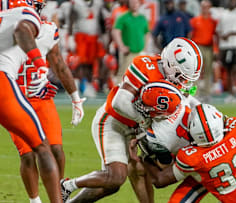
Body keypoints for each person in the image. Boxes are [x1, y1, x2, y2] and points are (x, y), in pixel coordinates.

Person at [60, 37, 203, 202]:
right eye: (181, 76)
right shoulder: (145, 65)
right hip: (113, 122)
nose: (184, 82)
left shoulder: (174, 81)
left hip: (136, 129)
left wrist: (205, 114)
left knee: (132, 174)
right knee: (115, 177)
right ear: (170, 64)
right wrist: (145, 123)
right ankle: (67, 185)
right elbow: (119, 102)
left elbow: (188, 100)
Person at [8, 2, 86, 202]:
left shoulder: (48, 30)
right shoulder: (6, 30)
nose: (36, 12)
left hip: (41, 99)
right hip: (15, 98)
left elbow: (59, 64)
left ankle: (59, 194)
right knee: (27, 155)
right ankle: (35, 200)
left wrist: (75, 98)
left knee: (56, 150)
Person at [0, 1, 62, 202]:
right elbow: (21, 31)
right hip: (3, 84)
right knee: (42, 148)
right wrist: (38, 62)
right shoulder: (25, 14)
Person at [112, 0, 150, 83]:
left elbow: (147, 33)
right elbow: (116, 31)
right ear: (129, 4)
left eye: (136, 3)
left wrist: (145, 48)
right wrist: (121, 46)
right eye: (132, 2)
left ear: (139, 4)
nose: (134, 5)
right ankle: (117, 93)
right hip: (128, 52)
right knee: (123, 74)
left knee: (139, 75)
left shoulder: (142, 18)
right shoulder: (123, 17)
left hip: (139, 52)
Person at [190, 0, 218, 102]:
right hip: (198, 46)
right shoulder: (195, 20)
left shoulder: (213, 21)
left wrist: (215, 49)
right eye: (203, 7)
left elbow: (215, 36)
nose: (205, 9)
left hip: (208, 47)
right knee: (195, 71)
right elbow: (190, 35)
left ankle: (206, 94)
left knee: (208, 71)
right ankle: (194, 93)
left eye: (207, 7)